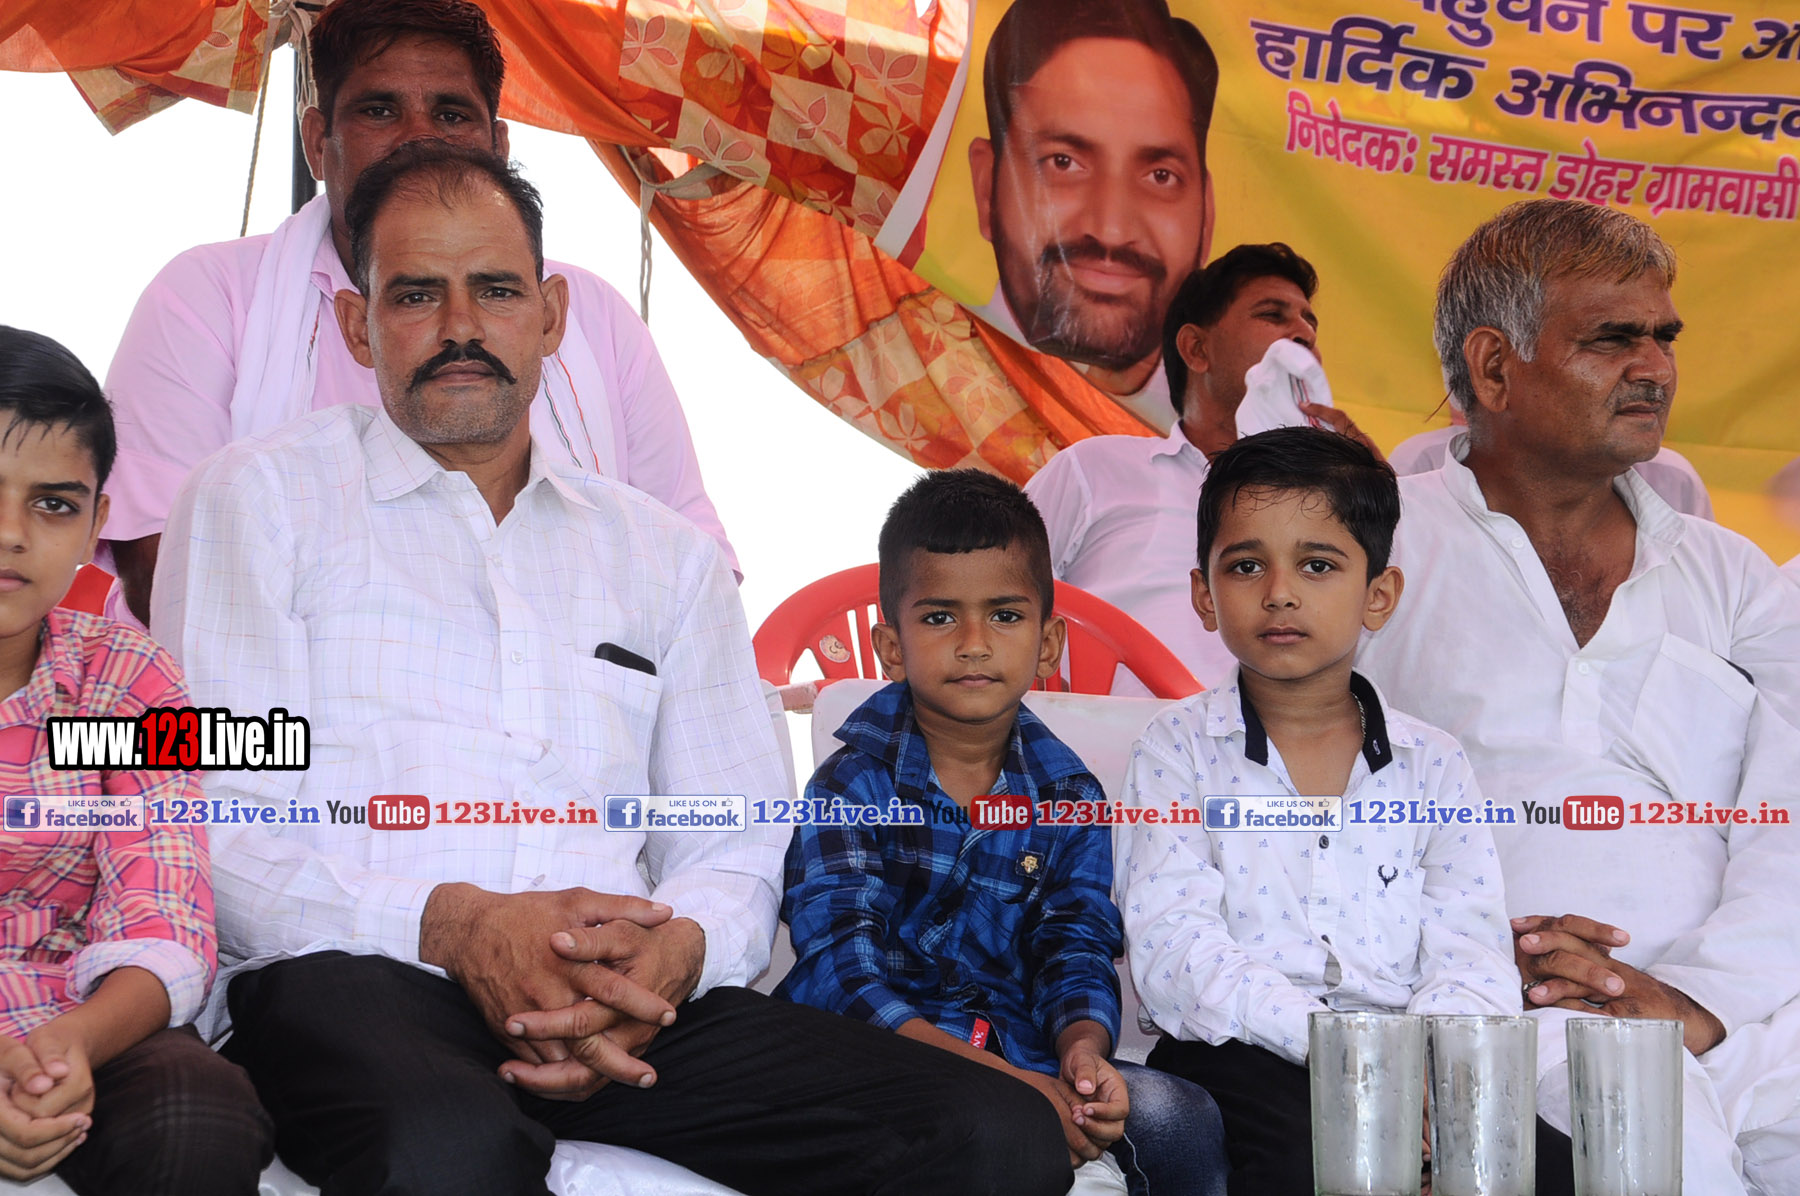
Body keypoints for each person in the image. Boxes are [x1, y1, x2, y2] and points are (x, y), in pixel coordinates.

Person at [147, 144, 1071, 1196]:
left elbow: (736, 828)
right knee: (447, 1147)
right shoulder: (257, 501)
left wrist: (675, 952)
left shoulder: (663, 556)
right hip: (369, 976)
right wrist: (455, 924)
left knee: (995, 1136)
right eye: (416, 294)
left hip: (631, 995)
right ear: (359, 328)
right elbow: (209, 818)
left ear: (551, 316)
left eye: (497, 290)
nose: (460, 326)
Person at [1357, 198, 1800, 1196]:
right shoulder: (1371, 550)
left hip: (1747, 1012)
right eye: (1613, 338)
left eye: (1664, 336)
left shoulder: (1732, 576)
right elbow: (1288, 793)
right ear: (1494, 367)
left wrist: (1699, 1000)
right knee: (1663, 1150)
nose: (1655, 367)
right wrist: (1462, 961)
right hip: (1519, 1013)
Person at [103, 0, 734, 628]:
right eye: (379, 110)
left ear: (498, 146)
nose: (418, 139)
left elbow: (694, 576)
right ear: (319, 143)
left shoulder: (595, 318)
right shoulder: (208, 297)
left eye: (451, 114)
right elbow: (170, 569)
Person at [777, 469, 1230, 1196]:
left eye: (1005, 616)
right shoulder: (851, 785)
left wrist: (1083, 1054)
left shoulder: (1070, 795)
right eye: (939, 617)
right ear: (890, 645)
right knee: (979, 1130)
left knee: (1181, 1118)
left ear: (1048, 643)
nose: (974, 644)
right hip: (878, 1059)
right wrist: (999, 1082)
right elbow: (839, 967)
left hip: (1028, 1059)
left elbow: (1074, 947)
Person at [1117, 427, 1522, 1196]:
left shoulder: (1433, 764)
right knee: (1330, 1167)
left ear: (1379, 595)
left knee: (1552, 1166)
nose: (1280, 592)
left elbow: (1471, 951)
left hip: (1413, 1057)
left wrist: (1433, 1069)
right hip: (1240, 1054)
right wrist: (1342, 1048)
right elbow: (1175, 951)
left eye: (1317, 565)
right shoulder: (1178, 751)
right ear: (1204, 594)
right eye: (1246, 566)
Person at [0, 327, 272, 1194]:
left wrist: (70, 1047)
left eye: (52, 504)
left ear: (97, 523)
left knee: (199, 1116)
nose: (10, 534)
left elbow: (165, 915)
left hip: (70, 1018)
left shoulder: (129, 676)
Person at [1026, 243, 1370, 689]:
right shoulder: (1096, 469)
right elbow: (987, 589)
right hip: (1100, 732)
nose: (1303, 333)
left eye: (1310, 324)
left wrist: (1371, 488)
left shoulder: (1337, 501)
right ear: (1196, 348)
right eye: (1273, 315)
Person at [969, 0, 1218, 427]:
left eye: (1160, 176)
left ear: (1206, 217)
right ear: (986, 188)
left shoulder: (1248, 436)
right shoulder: (918, 370)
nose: (1112, 230)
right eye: (1063, 163)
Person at [1388, 407, 1715, 518]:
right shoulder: (1421, 462)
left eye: (1665, 340)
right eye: (1607, 342)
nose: (1653, 369)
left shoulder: (1673, 479)